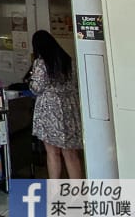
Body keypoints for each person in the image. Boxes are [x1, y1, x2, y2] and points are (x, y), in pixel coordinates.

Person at [30, 30, 83, 179]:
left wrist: (31, 79)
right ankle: (78, 191)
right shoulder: (67, 60)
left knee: (53, 153)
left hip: (50, 111)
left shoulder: (41, 62)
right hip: (69, 108)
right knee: (71, 153)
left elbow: (36, 88)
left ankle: (55, 190)